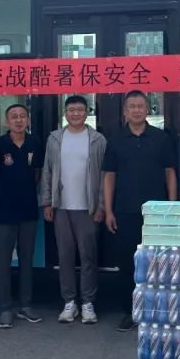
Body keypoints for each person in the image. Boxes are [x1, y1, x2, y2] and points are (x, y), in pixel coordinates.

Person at [103, 90, 178, 332]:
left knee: (158, 263)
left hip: (157, 212)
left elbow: (170, 173)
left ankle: (157, 311)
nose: (136, 110)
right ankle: (130, 312)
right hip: (124, 211)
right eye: (132, 106)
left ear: (147, 110)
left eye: (140, 106)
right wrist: (108, 210)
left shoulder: (160, 138)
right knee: (128, 264)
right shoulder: (115, 139)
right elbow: (109, 176)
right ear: (125, 111)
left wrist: (172, 207)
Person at [40, 95, 107, 325]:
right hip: (61, 207)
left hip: (88, 208)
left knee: (88, 256)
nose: (75, 113)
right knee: (65, 256)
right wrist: (47, 202)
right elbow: (47, 171)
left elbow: (104, 176)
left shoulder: (97, 140)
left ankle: (88, 302)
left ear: (87, 112)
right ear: (65, 112)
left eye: (80, 109)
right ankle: (69, 302)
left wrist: (101, 206)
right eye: (71, 110)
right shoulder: (55, 138)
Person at [0, 103, 44, 329]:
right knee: (3, 261)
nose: (18, 120)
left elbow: (37, 174)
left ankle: (25, 305)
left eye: (22, 116)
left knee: (27, 259)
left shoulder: (34, 143)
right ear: (6, 121)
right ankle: (5, 308)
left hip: (29, 210)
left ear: (27, 120)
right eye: (14, 116)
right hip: (6, 211)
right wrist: (7, 193)